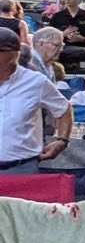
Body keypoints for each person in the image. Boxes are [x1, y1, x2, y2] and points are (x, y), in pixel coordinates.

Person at [0, 27, 72, 174]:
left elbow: (64, 109)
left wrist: (62, 140)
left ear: (15, 56)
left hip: (21, 168)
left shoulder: (36, 81)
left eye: (8, 65)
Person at [45, 0, 85, 75]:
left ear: (79, 0)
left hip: (83, 53)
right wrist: (63, 34)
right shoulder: (58, 16)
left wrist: (83, 39)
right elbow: (49, 37)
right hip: (61, 54)